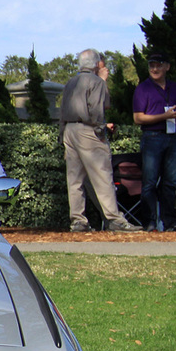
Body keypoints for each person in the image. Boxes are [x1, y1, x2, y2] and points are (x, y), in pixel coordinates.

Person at [58, 49, 140, 232]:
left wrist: (62, 132)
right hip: (88, 131)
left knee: (75, 179)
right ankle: (114, 219)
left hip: (69, 131)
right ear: (96, 64)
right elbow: (100, 107)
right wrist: (100, 129)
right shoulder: (96, 82)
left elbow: (62, 110)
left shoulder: (71, 82)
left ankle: (78, 220)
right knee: (102, 175)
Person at [131, 50, 176, 231]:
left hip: (173, 137)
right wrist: (164, 116)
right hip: (152, 138)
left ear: (167, 67)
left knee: (170, 182)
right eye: (151, 65)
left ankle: (169, 222)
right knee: (149, 182)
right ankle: (149, 222)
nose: (154, 69)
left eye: (158, 65)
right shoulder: (143, 89)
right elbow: (138, 118)